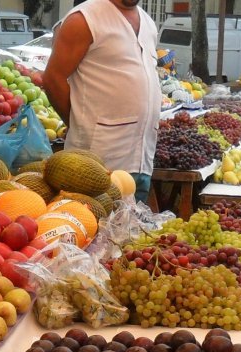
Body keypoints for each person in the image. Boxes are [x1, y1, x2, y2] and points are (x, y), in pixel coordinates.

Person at [44, 0, 160, 202]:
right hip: (96, 159)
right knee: (95, 225)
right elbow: (53, 79)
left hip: (141, 157)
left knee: (133, 229)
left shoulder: (148, 23)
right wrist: (78, 122)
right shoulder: (84, 20)